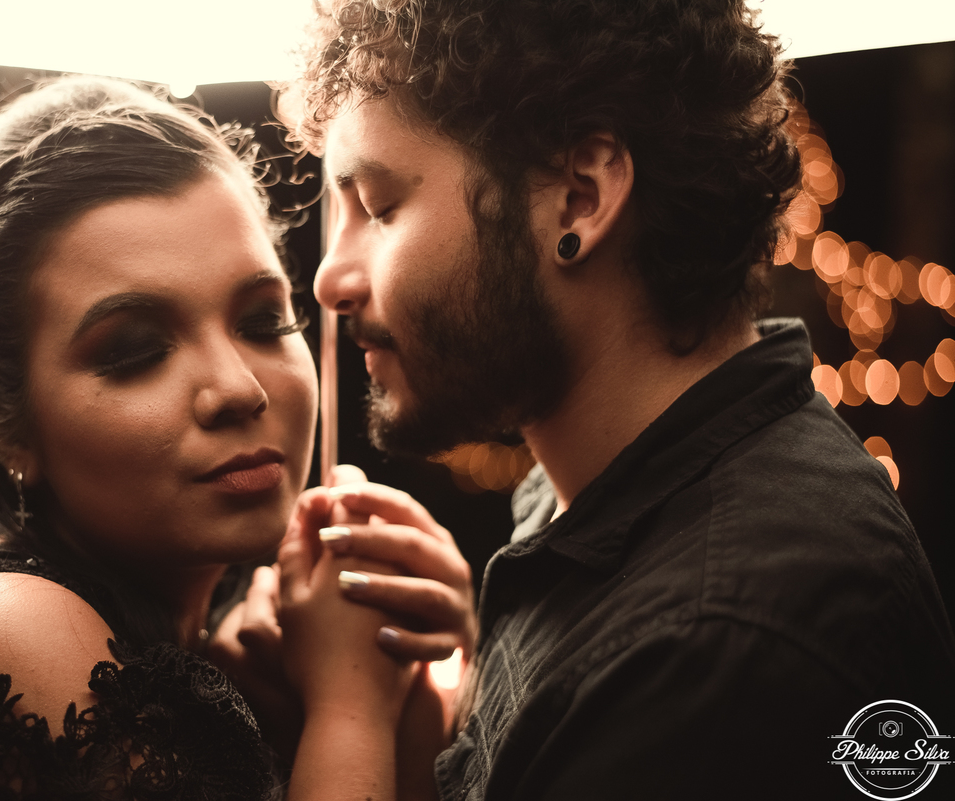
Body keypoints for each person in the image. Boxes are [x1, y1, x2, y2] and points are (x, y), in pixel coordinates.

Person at [268, 0, 955, 798]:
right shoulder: (592, 490)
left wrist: (346, 704)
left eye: (380, 207)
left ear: (581, 198)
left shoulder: (708, 652)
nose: (330, 278)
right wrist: (431, 683)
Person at [0, 74, 440, 801]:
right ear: (4, 425)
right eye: (136, 350)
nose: (239, 389)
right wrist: (351, 702)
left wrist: (417, 673)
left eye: (263, 321)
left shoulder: (226, 656)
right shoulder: (6, 626)